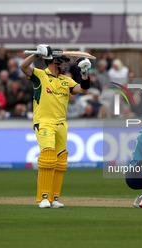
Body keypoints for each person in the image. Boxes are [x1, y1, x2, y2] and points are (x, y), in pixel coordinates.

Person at [19, 44, 91, 208]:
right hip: (44, 122)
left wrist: (85, 73)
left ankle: (54, 198)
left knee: (60, 162)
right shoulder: (40, 75)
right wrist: (36, 55)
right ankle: (43, 197)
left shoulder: (66, 80)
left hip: (61, 125)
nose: (65, 64)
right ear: (54, 61)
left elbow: (83, 90)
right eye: (63, 61)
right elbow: (23, 66)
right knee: (48, 157)